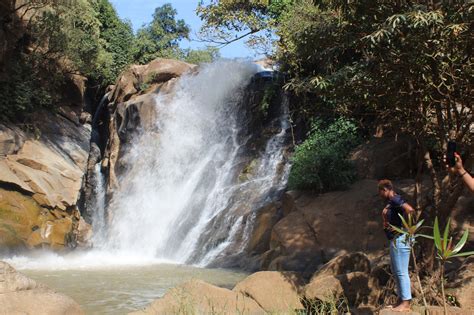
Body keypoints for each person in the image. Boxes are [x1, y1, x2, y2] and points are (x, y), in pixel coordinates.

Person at [378, 179, 415, 312]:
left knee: (401, 271)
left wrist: (404, 228)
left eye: (380, 191)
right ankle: (400, 300)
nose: (380, 195)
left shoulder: (394, 198)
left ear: (385, 189)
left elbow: (410, 210)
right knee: (395, 270)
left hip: (401, 237)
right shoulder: (391, 202)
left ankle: (406, 303)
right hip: (395, 239)